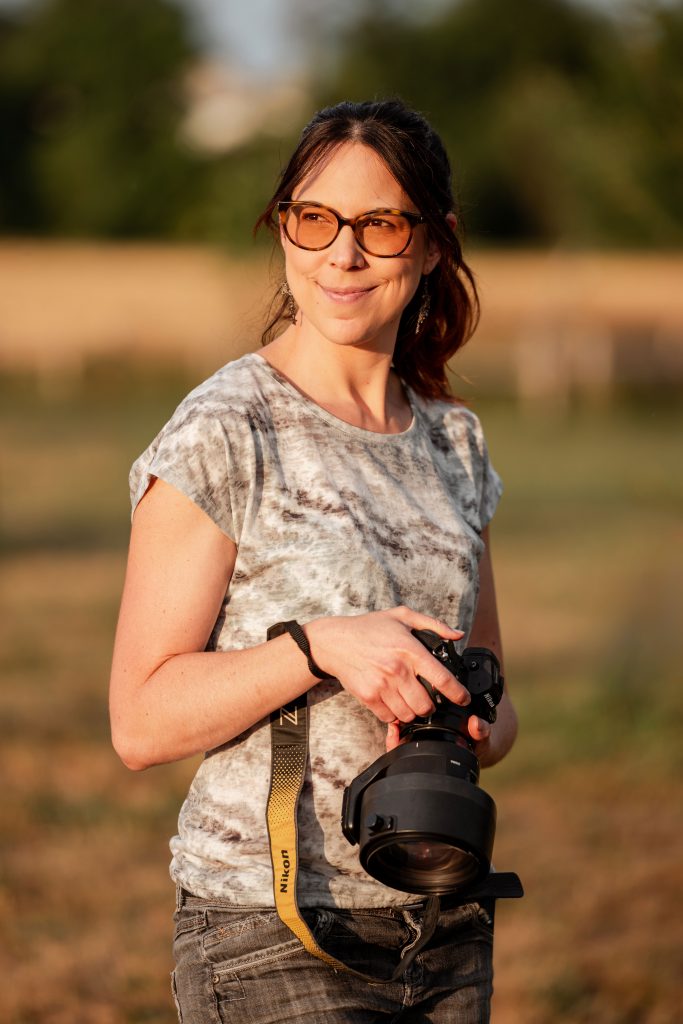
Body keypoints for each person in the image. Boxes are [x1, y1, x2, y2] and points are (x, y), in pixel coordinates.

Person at [109, 98, 518, 1023]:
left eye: (378, 224)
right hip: (269, 932)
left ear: (431, 242)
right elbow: (138, 721)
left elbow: (503, 711)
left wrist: (456, 718)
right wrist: (320, 646)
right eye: (315, 219)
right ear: (283, 225)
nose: (342, 255)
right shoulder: (227, 429)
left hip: (444, 921)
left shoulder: (455, 440)